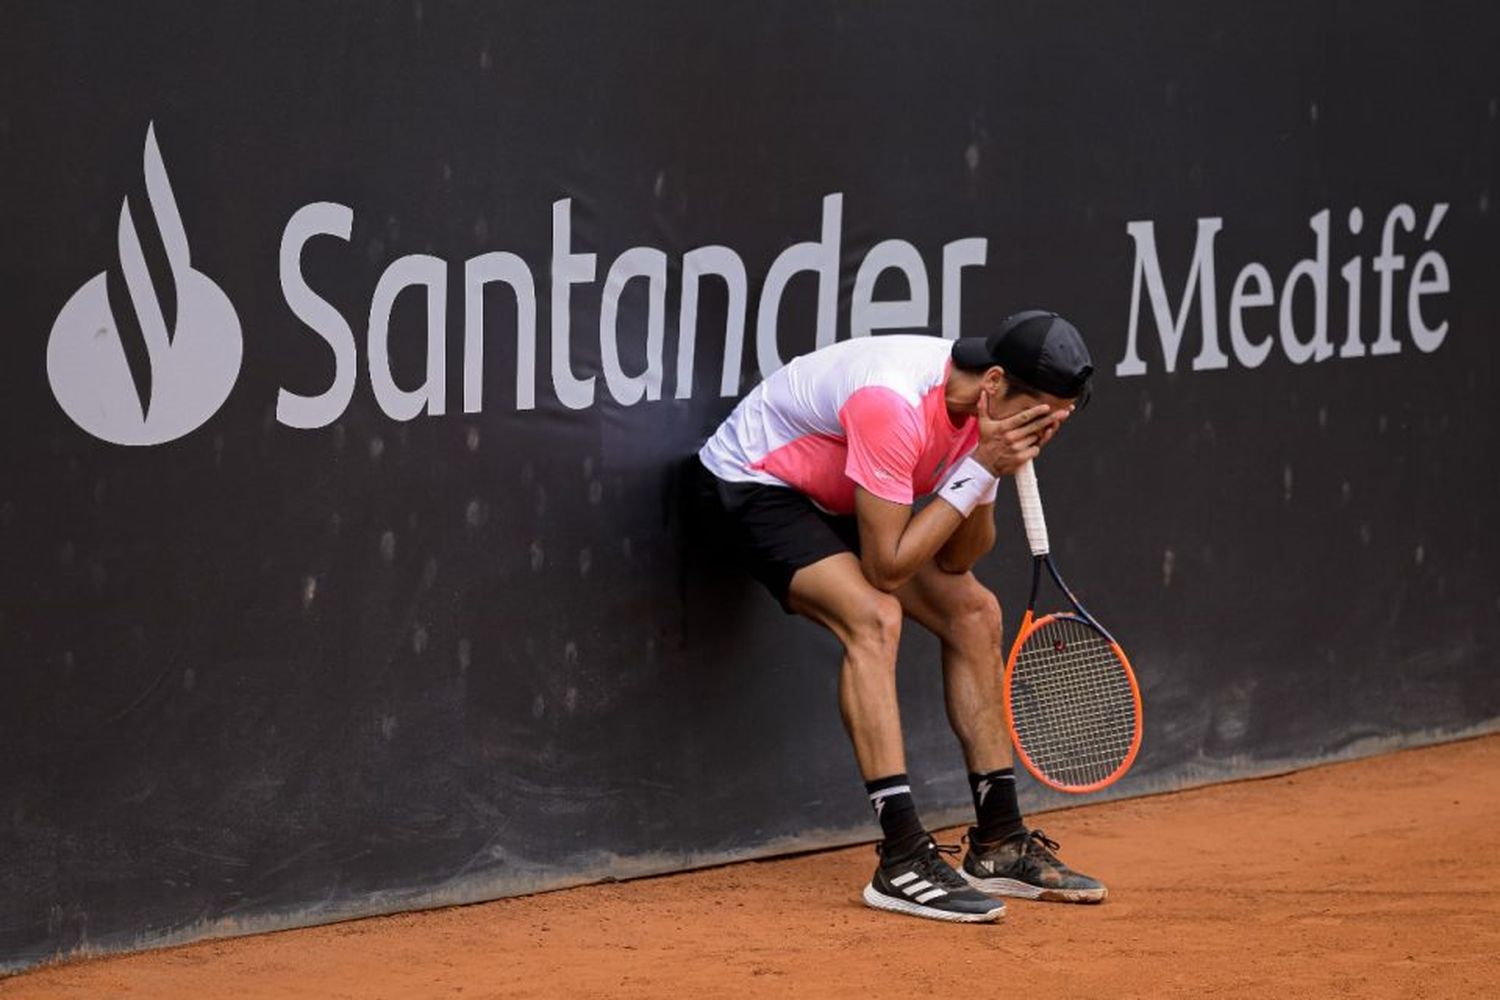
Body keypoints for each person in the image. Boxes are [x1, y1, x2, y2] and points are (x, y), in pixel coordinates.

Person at [694, 310, 1105, 923]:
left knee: (975, 612)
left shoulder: (985, 408)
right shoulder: (891, 399)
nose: (1044, 428)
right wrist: (982, 465)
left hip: (846, 493)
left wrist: (987, 467)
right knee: (875, 615)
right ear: (995, 383)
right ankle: (902, 857)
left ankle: (997, 841)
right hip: (756, 486)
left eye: (1055, 420)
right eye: (1040, 413)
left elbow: (960, 556)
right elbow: (886, 568)